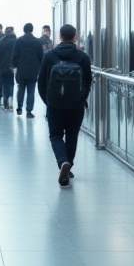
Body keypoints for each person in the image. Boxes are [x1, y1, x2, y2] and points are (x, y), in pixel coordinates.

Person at [38, 23, 92, 188]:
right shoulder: (82, 57)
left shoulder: (50, 56)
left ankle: (62, 162)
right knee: (72, 135)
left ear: (60, 36)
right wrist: (82, 99)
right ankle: (68, 167)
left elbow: (41, 83)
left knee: (55, 135)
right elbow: (88, 82)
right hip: (76, 106)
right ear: (74, 37)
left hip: (54, 105)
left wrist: (48, 101)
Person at [12, 22, 44, 117]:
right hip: (33, 70)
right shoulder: (37, 42)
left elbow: (15, 55)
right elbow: (41, 56)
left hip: (21, 70)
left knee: (20, 89)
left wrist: (14, 65)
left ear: (24, 30)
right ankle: (29, 111)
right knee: (31, 91)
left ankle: (19, 107)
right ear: (32, 30)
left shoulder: (18, 41)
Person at [0, 25, 17, 110]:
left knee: (4, 84)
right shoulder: (16, 41)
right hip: (12, 67)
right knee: (11, 83)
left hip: (3, 66)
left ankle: (5, 102)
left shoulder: (1, 41)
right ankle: (11, 101)